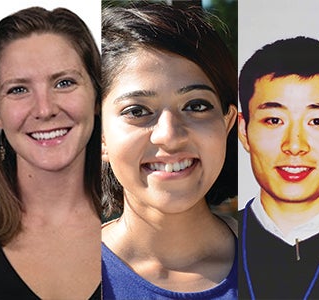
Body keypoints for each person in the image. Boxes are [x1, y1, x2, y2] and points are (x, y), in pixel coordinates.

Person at [101, 3, 238, 299]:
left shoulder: (294, 265)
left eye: (196, 106)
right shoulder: (55, 278)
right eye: (137, 111)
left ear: (228, 123)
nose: (170, 136)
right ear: (98, 135)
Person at [0, 6, 102, 300]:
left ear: (96, 97)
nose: (45, 109)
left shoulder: (141, 222)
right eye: (18, 90)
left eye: (64, 82)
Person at [238, 36, 319, 299]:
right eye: (274, 120)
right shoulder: (218, 242)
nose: (295, 145)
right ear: (244, 131)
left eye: (318, 121)